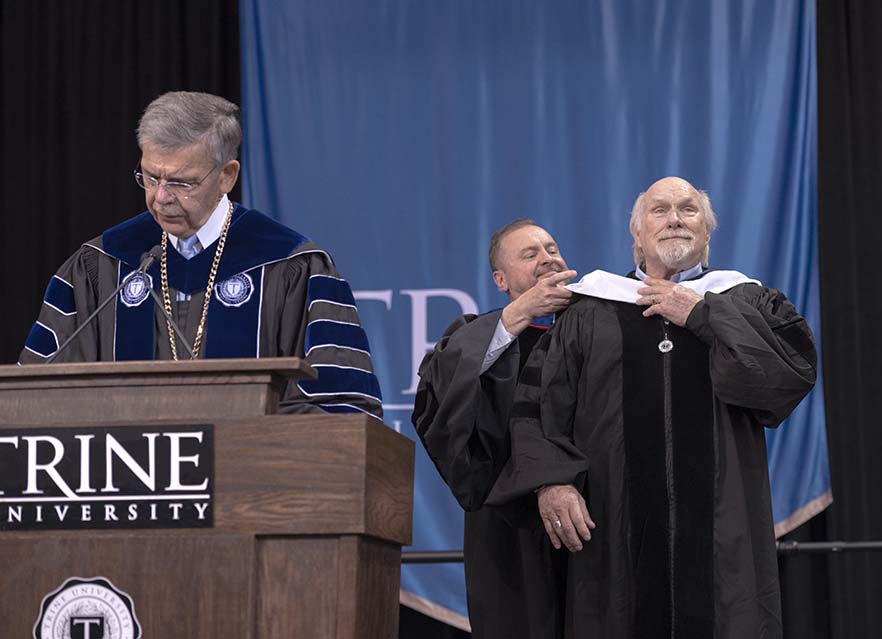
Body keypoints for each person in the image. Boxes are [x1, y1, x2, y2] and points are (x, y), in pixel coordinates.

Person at [490, 177, 817, 638]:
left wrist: (703, 316)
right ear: (637, 237)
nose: (675, 219)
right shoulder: (591, 308)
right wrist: (551, 482)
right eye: (660, 210)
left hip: (723, 537)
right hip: (613, 534)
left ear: (706, 234)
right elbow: (539, 404)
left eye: (689, 210)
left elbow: (786, 379)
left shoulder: (745, 302)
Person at [19, 91, 382, 418]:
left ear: (227, 175)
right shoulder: (100, 265)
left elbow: (345, 412)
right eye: (150, 177)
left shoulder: (293, 267)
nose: (160, 198)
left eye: (181, 182)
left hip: (256, 485)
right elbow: (32, 400)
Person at [412, 220, 577, 638]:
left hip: (592, 515)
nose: (547, 258)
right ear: (501, 280)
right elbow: (439, 400)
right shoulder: (478, 335)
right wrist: (520, 313)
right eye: (530, 254)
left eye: (551, 248)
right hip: (510, 526)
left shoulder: (593, 328)